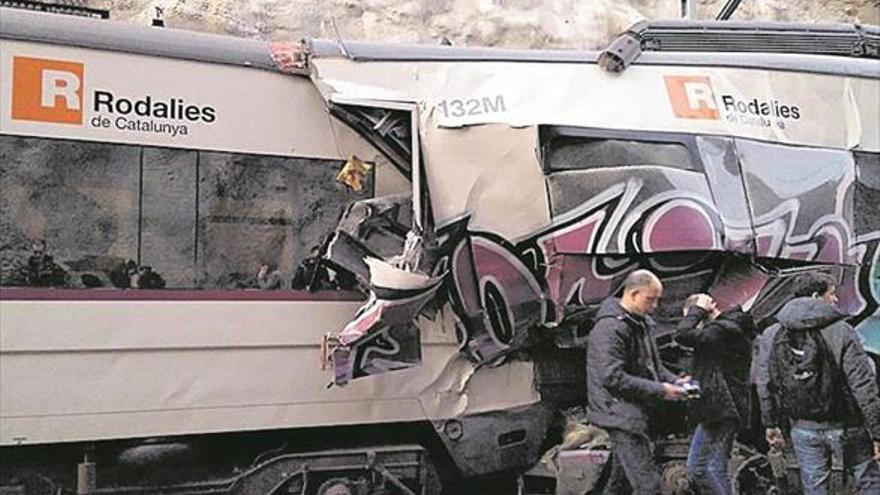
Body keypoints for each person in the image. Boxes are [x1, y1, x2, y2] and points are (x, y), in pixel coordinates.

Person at [758, 272, 880, 495]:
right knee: (868, 480)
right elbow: (863, 386)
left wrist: (770, 423)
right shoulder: (842, 331)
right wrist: (877, 432)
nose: (834, 300)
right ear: (816, 296)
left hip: (803, 427)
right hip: (848, 426)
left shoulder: (772, 333)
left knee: (814, 485)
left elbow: (765, 382)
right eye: (831, 294)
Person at [587, 269, 689, 494]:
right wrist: (661, 390)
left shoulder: (637, 324)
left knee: (619, 484)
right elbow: (611, 377)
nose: (654, 306)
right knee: (648, 485)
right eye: (650, 299)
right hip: (618, 414)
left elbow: (653, 366)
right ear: (633, 294)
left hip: (629, 412)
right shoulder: (610, 329)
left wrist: (676, 381)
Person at [675, 293, 757, 495]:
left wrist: (696, 311)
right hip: (727, 409)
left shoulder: (722, 331)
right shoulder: (729, 330)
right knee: (716, 469)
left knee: (697, 470)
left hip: (718, 410)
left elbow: (682, 334)